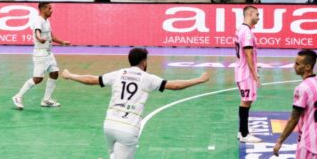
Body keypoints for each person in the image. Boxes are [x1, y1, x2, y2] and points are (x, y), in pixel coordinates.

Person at [62, 48, 209, 159]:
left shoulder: (118, 74)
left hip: (109, 125)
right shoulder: (147, 78)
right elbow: (175, 85)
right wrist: (198, 80)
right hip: (128, 129)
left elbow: (92, 79)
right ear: (144, 61)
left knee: (114, 155)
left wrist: (70, 75)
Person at [273, 49, 317, 158]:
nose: (293, 66)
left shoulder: (302, 88)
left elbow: (294, 119)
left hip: (310, 142)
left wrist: (280, 141)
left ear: (308, 67)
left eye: (297, 64)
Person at [12, 2, 71, 109]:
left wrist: (63, 42)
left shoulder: (47, 21)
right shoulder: (38, 21)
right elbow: (37, 32)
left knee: (54, 73)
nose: (51, 10)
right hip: (40, 54)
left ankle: (46, 100)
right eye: (49, 8)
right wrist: (39, 38)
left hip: (49, 53)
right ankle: (18, 96)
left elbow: (51, 36)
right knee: (37, 79)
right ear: (43, 9)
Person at [235, 6, 262, 143]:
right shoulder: (247, 32)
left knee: (246, 101)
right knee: (246, 101)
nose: (258, 17)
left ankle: (242, 131)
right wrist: (255, 74)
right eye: (257, 14)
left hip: (243, 70)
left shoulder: (242, 29)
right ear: (250, 13)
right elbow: (248, 55)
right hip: (245, 73)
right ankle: (244, 134)